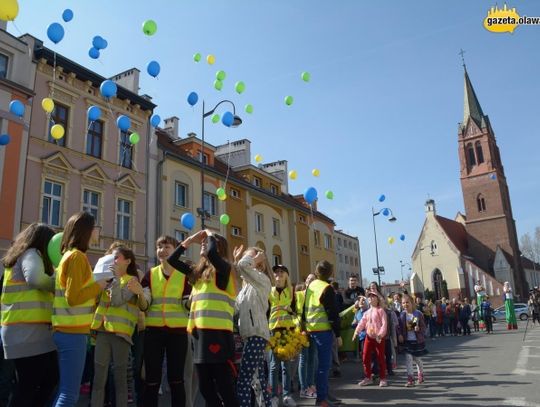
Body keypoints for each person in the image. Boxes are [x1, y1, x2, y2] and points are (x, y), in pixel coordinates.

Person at [168, 229, 238, 407]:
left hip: (219, 336)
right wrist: (189, 241)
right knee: (206, 388)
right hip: (198, 337)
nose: (203, 244)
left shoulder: (224, 270)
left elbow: (212, 253)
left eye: (207, 242)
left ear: (218, 246)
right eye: (203, 243)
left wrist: (209, 233)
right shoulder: (197, 273)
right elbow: (172, 260)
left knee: (225, 388)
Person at [52, 212, 109, 406]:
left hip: (66, 331)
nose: (98, 231)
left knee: (62, 391)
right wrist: (98, 285)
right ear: (86, 231)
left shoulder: (70, 256)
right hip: (72, 333)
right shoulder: (77, 257)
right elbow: (73, 297)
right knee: (69, 395)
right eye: (95, 227)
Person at [1, 223, 58, 406]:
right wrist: (58, 282)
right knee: (28, 385)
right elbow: (35, 279)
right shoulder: (31, 253)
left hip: (29, 332)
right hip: (26, 333)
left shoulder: (23, 256)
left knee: (44, 380)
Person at [90, 246, 144, 407]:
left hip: (121, 334)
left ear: (128, 261)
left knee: (120, 378)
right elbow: (96, 300)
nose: (113, 260)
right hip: (102, 331)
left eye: (117, 257)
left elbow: (117, 301)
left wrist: (115, 279)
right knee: (99, 378)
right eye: (112, 257)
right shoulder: (107, 278)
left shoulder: (132, 281)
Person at [141, 235, 190, 407]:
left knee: (176, 379)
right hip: (153, 332)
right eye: (159, 247)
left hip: (177, 332)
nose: (162, 250)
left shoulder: (184, 275)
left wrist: (193, 300)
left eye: (167, 247)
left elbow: (187, 303)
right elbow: (144, 305)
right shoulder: (150, 274)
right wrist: (139, 294)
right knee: (152, 380)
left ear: (176, 250)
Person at [233, 245, 274, 407]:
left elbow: (243, 266)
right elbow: (235, 309)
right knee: (258, 382)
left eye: (249, 257)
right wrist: (236, 262)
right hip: (247, 336)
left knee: (243, 381)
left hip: (257, 335)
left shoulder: (263, 280)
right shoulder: (245, 288)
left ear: (260, 262)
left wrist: (246, 260)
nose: (245, 260)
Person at [304, 261, 341, 407]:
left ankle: (324, 395)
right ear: (331, 273)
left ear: (316, 271)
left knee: (314, 364)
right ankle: (322, 400)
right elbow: (333, 314)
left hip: (310, 329)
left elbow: (304, 309)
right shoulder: (327, 288)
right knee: (324, 367)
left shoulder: (311, 286)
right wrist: (337, 335)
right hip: (323, 331)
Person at [268, 264, 296, 407]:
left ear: (286, 275)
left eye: (281, 272)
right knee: (274, 365)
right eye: (276, 272)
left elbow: (296, 310)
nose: (278, 274)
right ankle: (273, 397)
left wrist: (289, 311)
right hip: (273, 331)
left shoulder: (291, 290)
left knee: (286, 364)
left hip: (287, 330)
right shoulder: (269, 290)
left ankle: (287, 396)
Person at [353, 289, 388, 388]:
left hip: (378, 338)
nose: (371, 298)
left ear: (377, 299)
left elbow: (384, 324)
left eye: (373, 296)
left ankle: (383, 378)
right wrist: (356, 332)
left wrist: (380, 335)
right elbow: (362, 323)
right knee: (365, 356)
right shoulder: (367, 312)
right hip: (369, 337)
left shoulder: (381, 311)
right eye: (369, 296)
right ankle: (368, 377)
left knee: (380, 357)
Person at [398, 294, 428, 387]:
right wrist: (399, 335)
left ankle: (421, 374)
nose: (405, 304)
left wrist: (419, 329)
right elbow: (398, 327)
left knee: (417, 359)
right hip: (407, 341)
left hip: (417, 340)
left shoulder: (418, 314)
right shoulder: (402, 315)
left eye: (407, 302)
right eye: (403, 303)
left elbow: (424, 327)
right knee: (408, 359)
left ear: (412, 303)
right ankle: (410, 379)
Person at [297, 274, 317, 399]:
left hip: (313, 330)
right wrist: (301, 328)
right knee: (303, 358)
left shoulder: (316, 296)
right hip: (303, 330)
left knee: (311, 359)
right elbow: (296, 312)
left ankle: (310, 384)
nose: (310, 281)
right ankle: (303, 387)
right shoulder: (300, 295)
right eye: (308, 279)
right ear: (305, 281)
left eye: (313, 279)